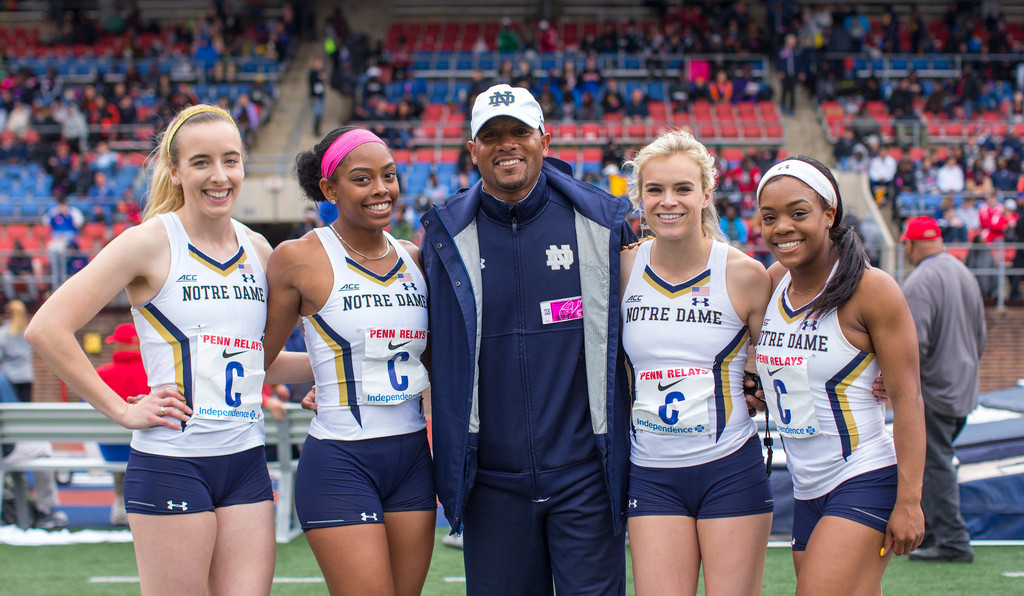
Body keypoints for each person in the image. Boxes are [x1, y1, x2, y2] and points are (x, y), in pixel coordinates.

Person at [25, 104, 309, 596]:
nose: (219, 176)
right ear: (174, 171)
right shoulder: (148, 243)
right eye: (201, 162)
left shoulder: (260, 250)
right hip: (172, 463)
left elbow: (260, 360)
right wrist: (120, 411)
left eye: (231, 160)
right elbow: (47, 328)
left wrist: (334, 372)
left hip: (245, 462)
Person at [419, 83, 636, 594]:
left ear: (544, 138)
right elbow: (410, 335)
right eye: (491, 135)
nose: (506, 144)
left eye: (519, 131)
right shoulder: (444, 238)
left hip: (585, 478)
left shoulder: (603, 225)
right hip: (492, 486)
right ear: (473, 150)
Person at [263, 126, 436, 595]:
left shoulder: (416, 258)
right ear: (329, 189)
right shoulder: (298, 258)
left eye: (389, 175)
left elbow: (436, 363)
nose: (381, 189)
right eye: (362, 179)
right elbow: (259, 356)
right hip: (341, 460)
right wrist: (324, 375)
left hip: (413, 461)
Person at [755, 155, 926, 593]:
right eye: (769, 217)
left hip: (864, 476)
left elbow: (908, 398)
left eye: (798, 213)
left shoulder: (873, 289)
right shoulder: (773, 280)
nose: (782, 228)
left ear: (829, 214)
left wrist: (909, 500)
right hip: (805, 485)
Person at [620, 130, 774, 595]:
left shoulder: (746, 275)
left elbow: (789, 353)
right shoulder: (621, 268)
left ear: (706, 193)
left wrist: (876, 372)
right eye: (655, 189)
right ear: (639, 198)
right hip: (650, 473)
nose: (669, 201)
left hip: (729, 469)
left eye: (683, 188)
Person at [900, 216, 985, 563]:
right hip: (964, 388)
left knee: (934, 465)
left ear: (911, 244)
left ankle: (952, 541)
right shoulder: (963, 271)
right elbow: (980, 335)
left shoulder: (922, 279)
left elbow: (910, 345)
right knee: (938, 461)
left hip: (934, 391)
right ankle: (934, 532)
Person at [95, 322, 148, 526]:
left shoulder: (102, 373)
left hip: (110, 447)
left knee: (118, 441)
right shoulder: (152, 372)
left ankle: (119, 502)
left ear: (119, 346)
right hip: (146, 445)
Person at [0, 300, 34, 403]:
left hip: (9, 377)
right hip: (26, 375)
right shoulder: (28, 331)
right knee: (25, 409)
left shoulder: (3, 333)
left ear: (8, 313)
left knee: (10, 408)